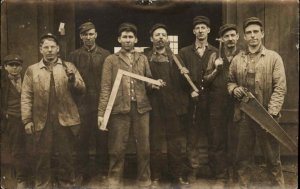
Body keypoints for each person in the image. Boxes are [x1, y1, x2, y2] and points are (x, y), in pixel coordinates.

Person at [98, 23, 163, 189]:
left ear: (136, 39)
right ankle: (114, 181)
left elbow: (148, 80)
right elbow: (105, 88)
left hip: (141, 108)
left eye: (130, 37)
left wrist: (154, 84)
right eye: (124, 37)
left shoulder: (143, 58)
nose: (127, 40)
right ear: (119, 39)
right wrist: (102, 114)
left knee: (144, 148)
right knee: (117, 147)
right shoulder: (111, 60)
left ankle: (144, 180)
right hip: (119, 109)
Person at [228, 17, 287, 189]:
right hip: (244, 116)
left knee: (272, 159)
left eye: (256, 32)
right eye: (249, 33)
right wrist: (233, 89)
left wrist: (271, 114)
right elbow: (230, 81)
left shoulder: (273, 58)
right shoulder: (237, 59)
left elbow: (280, 88)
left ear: (262, 34)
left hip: (267, 116)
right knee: (243, 159)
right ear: (244, 37)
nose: (252, 36)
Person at [21, 33, 86, 188]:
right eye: (46, 47)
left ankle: (66, 184)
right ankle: (43, 184)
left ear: (58, 49)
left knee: (66, 156)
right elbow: (26, 96)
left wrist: (73, 80)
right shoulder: (32, 70)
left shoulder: (68, 66)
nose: (49, 50)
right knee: (42, 156)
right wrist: (27, 120)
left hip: (64, 119)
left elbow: (82, 89)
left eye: (52, 47)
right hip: (42, 121)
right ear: (41, 50)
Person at [144, 23, 190, 188]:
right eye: (157, 35)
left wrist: (185, 75)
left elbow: (185, 86)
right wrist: (151, 85)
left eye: (164, 34)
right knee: (155, 143)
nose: (161, 37)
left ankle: (176, 177)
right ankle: (155, 177)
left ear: (167, 39)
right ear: (151, 39)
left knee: (175, 144)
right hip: (154, 105)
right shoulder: (145, 57)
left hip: (173, 106)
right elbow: (141, 80)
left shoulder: (177, 59)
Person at [69, 21, 111, 183]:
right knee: (82, 141)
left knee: (102, 140)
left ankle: (103, 172)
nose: (88, 37)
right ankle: (82, 173)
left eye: (91, 34)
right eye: (85, 34)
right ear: (81, 36)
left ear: (96, 35)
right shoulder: (74, 56)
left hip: (102, 104)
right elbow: (71, 82)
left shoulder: (105, 54)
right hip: (82, 105)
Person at [179, 16, 218, 183]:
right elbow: (178, 81)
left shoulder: (216, 52)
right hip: (192, 103)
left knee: (214, 137)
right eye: (198, 28)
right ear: (194, 31)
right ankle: (192, 171)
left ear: (208, 30)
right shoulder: (184, 52)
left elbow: (221, 78)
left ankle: (214, 170)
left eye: (204, 27)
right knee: (192, 139)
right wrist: (189, 92)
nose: (201, 30)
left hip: (212, 102)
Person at [203, 23, 241, 186]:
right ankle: (221, 176)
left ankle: (235, 175)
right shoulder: (214, 56)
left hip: (237, 103)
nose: (230, 39)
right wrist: (216, 69)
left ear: (238, 37)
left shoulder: (243, 55)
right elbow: (205, 80)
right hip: (217, 104)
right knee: (218, 140)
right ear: (222, 39)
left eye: (233, 35)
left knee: (236, 140)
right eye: (226, 36)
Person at [1, 54, 27, 189]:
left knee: (31, 146)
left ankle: (31, 176)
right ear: (5, 67)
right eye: (11, 65)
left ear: (21, 67)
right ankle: (20, 178)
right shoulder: (3, 83)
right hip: (12, 119)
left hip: (28, 118)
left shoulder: (28, 79)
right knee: (16, 148)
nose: (15, 68)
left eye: (17, 65)